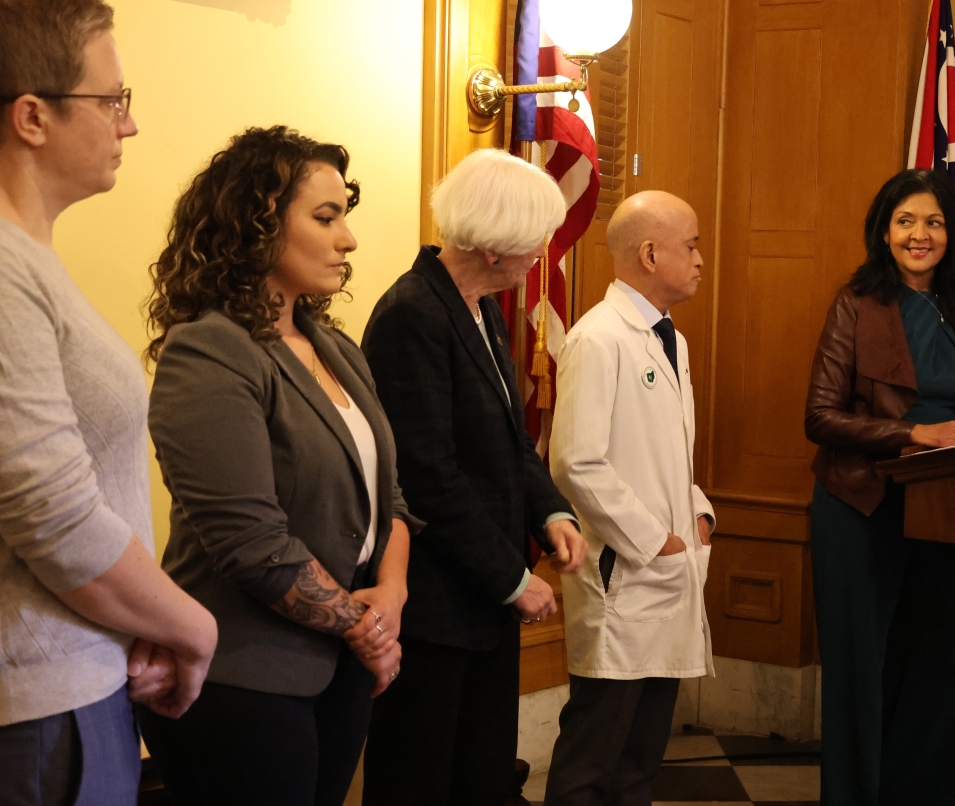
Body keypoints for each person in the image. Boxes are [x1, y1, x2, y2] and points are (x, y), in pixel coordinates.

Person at [140, 126, 418, 806]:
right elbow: (250, 543)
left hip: (344, 663)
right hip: (245, 675)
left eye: (344, 216)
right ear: (255, 225)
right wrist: (363, 625)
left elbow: (394, 501)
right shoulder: (210, 349)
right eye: (326, 217)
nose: (348, 239)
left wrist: (392, 592)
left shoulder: (337, 348)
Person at [0, 0, 217, 805]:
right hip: (39, 702)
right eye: (111, 98)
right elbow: (49, 510)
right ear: (32, 116)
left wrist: (139, 620)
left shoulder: (31, 260)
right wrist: (190, 624)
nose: (128, 121)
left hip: (76, 678)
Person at [803, 170, 955, 806]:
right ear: (884, 231)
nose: (920, 234)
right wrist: (915, 435)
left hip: (944, 509)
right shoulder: (856, 303)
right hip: (860, 505)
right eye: (906, 221)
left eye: (934, 223)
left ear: (952, 234)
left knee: (951, 666)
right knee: (863, 677)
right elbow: (820, 418)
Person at [361, 147, 587, 806]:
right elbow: (427, 473)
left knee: (481, 777)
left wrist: (550, 511)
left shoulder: (479, 306)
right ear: (496, 246)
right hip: (435, 604)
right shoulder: (413, 312)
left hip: (478, 603)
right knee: (421, 780)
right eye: (536, 241)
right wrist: (512, 577)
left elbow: (506, 440)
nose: (541, 255)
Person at [543, 190, 716, 806]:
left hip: (667, 570)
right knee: (595, 753)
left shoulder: (672, 339)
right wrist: (653, 538)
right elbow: (575, 461)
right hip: (625, 572)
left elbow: (667, 452)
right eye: (690, 245)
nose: (700, 259)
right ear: (649, 253)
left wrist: (696, 513)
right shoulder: (599, 339)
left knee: (642, 759)